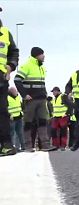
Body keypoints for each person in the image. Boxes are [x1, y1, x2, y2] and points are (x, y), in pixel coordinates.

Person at [15, 47, 55, 152]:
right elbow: (17, 80)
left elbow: (42, 83)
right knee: (28, 122)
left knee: (43, 122)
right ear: (37, 55)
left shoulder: (41, 67)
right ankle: (28, 146)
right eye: (42, 54)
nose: (44, 56)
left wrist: (45, 94)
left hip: (42, 100)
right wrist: (24, 95)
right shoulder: (27, 66)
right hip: (31, 100)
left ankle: (45, 145)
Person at [0, 13, 19, 156]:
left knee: (2, 112)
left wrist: (11, 66)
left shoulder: (5, 33)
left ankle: (6, 145)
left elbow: (13, 52)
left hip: (1, 79)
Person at [50, 86, 73, 151]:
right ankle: (55, 145)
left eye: (54, 91)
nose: (53, 93)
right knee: (53, 131)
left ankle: (63, 145)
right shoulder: (54, 99)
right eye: (53, 92)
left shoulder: (63, 97)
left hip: (63, 117)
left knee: (63, 132)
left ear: (58, 91)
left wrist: (67, 113)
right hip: (56, 117)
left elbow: (70, 105)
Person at [8, 87, 25, 151]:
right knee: (12, 133)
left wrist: (22, 113)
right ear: (11, 92)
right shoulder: (7, 98)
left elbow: (21, 105)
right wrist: (9, 115)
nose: (17, 92)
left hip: (19, 117)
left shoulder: (18, 97)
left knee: (20, 132)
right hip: (12, 118)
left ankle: (21, 147)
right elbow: (6, 108)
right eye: (15, 91)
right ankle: (12, 147)